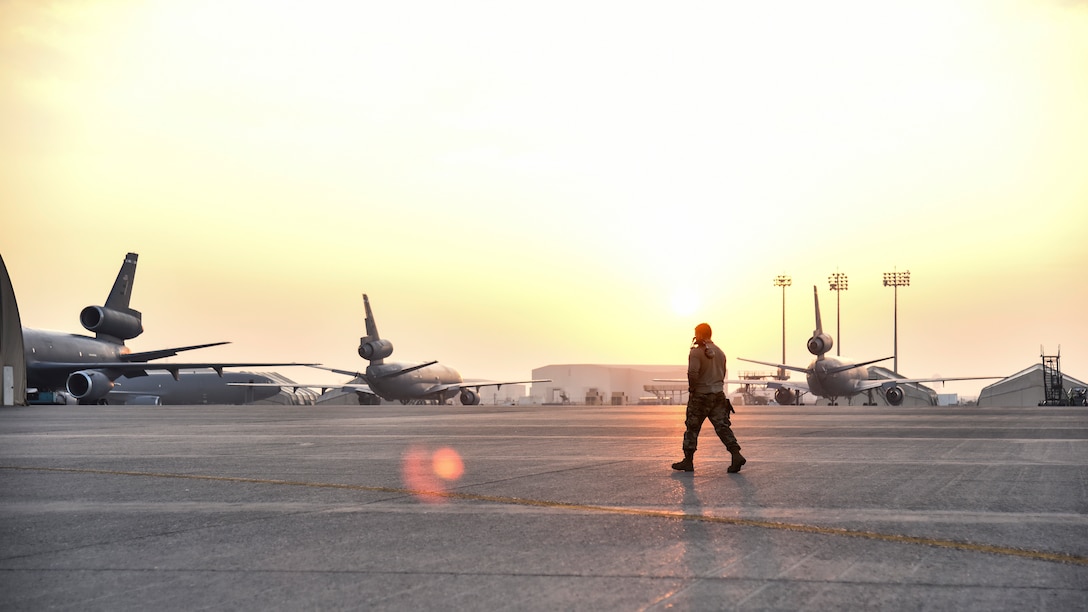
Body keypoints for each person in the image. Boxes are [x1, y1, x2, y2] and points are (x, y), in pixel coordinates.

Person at [671, 322, 746, 473]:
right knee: (722, 427)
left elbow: (693, 373)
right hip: (718, 395)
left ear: (699, 334)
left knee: (692, 428)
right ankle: (735, 454)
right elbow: (722, 374)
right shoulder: (720, 352)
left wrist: (692, 389)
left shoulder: (696, 352)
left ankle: (688, 460)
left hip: (700, 396)